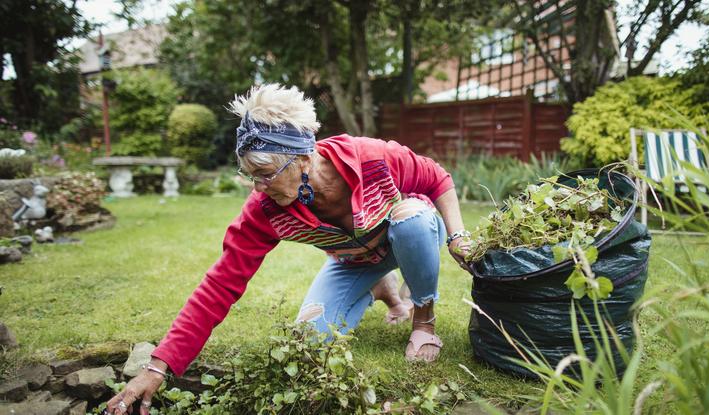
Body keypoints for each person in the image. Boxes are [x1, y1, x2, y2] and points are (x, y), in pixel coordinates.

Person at [106, 84, 472, 415]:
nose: (259, 188)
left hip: (408, 232)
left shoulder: (370, 156)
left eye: (266, 173)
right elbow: (219, 285)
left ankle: (423, 318)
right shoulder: (264, 208)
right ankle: (384, 287)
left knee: (412, 221)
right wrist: (158, 366)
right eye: (251, 175)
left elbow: (436, 177)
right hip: (353, 257)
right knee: (309, 342)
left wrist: (456, 236)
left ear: (303, 157)